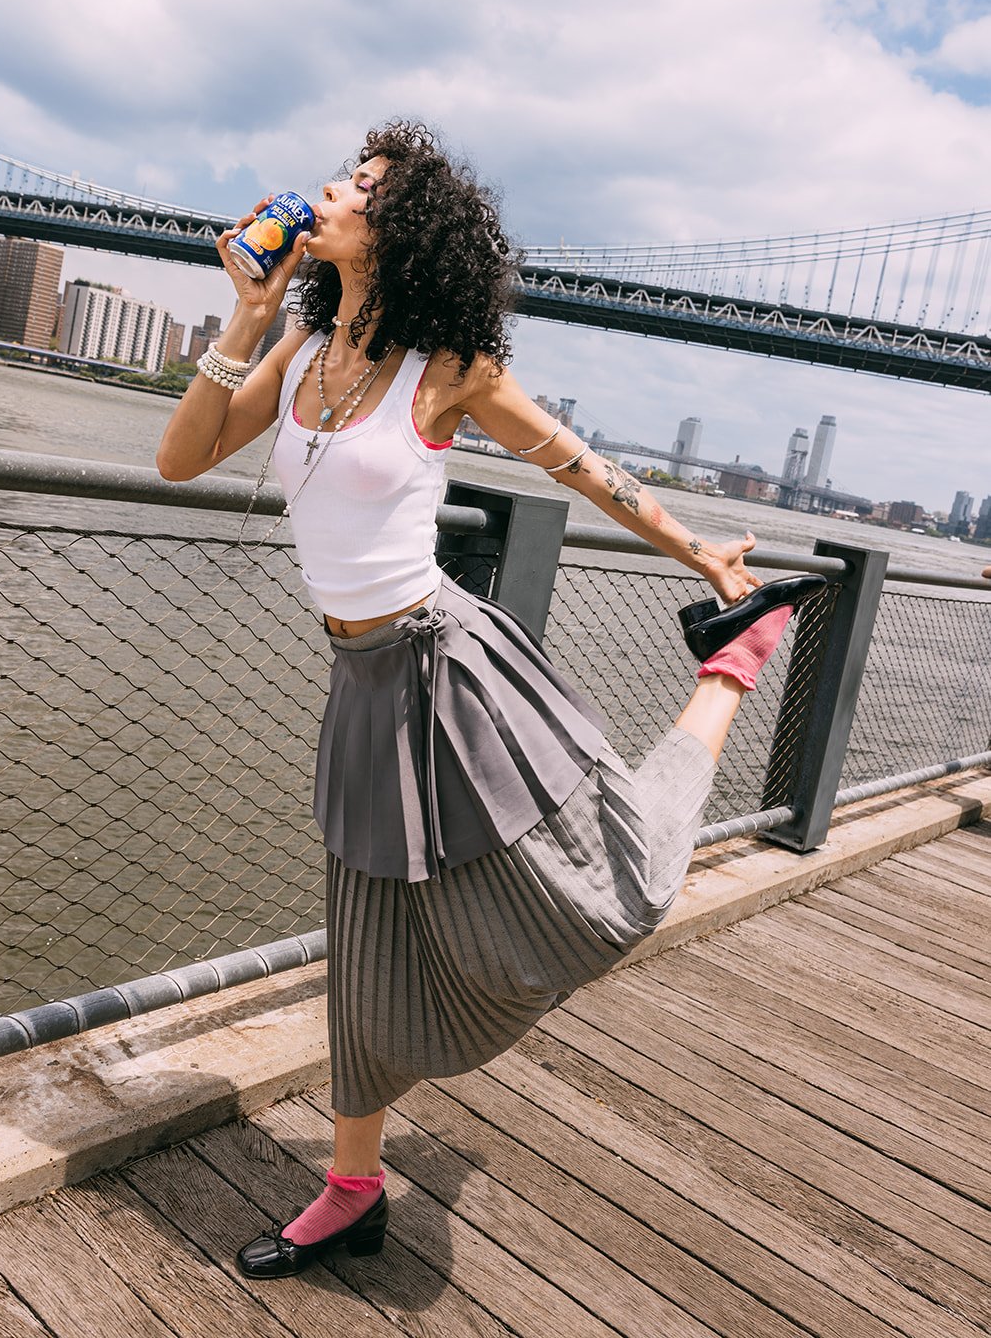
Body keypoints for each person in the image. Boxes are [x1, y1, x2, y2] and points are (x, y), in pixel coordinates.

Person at [156, 120, 824, 1279]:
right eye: (338, 175)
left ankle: (732, 659)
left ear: (400, 230)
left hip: (450, 667)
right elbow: (181, 458)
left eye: (358, 186)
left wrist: (700, 554)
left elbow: (581, 467)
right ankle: (351, 1188)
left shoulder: (445, 366)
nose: (328, 190)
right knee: (365, 942)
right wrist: (248, 317)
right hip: (360, 686)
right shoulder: (302, 351)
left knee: (605, 896)